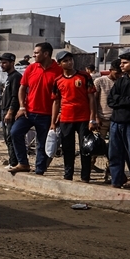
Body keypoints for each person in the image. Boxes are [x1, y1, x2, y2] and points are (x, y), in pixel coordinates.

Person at [8, 42, 64, 175]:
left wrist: (58, 113)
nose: (33, 55)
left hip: (47, 114)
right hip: (28, 112)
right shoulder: (31, 68)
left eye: (36, 53)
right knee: (15, 132)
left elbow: (62, 95)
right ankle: (23, 163)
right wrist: (22, 106)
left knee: (42, 143)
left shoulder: (59, 70)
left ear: (46, 54)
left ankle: (39, 169)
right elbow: (22, 88)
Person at [50, 51, 98, 182]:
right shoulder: (58, 81)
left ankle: (85, 177)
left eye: (70, 59)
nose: (69, 62)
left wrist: (92, 118)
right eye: (65, 61)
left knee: (85, 148)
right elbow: (56, 102)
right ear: (59, 64)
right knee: (67, 148)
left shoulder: (85, 76)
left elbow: (91, 98)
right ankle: (68, 175)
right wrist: (53, 122)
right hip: (66, 119)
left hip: (83, 118)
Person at [106, 51, 130, 188]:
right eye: (121, 63)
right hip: (116, 122)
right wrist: (124, 101)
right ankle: (116, 181)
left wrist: (119, 100)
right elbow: (110, 99)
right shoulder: (121, 80)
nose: (121, 65)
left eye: (125, 63)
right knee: (115, 153)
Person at [95, 60, 120, 182]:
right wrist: (95, 117)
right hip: (102, 119)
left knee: (114, 149)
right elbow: (93, 100)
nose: (119, 75)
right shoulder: (100, 81)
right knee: (95, 147)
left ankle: (109, 173)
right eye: (117, 73)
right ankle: (88, 169)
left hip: (116, 119)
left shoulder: (121, 82)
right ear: (111, 70)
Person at [0, 53, 23, 169]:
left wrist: (10, 112)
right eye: (1, 62)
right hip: (4, 110)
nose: (2, 65)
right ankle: (12, 160)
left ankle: (14, 162)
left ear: (12, 63)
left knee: (11, 137)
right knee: (7, 138)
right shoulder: (9, 77)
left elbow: (15, 96)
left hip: (9, 110)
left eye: (4, 62)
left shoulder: (16, 76)